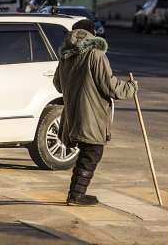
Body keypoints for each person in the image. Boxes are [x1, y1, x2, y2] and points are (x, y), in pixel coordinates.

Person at [53, 19, 138, 206]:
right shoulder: (95, 54)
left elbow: (58, 85)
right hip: (90, 113)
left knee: (88, 152)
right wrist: (130, 88)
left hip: (73, 113)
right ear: (92, 34)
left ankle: (75, 194)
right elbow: (109, 86)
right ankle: (76, 196)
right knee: (92, 152)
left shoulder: (66, 55)